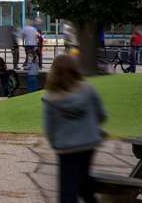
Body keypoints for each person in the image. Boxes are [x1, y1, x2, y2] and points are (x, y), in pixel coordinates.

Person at [42, 54, 107, 203]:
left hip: (66, 146)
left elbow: (49, 126)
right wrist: (91, 126)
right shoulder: (88, 90)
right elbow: (101, 115)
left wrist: (54, 143)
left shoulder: (51, 98)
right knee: (83, 181)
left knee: (68, 189)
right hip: (88, 142)